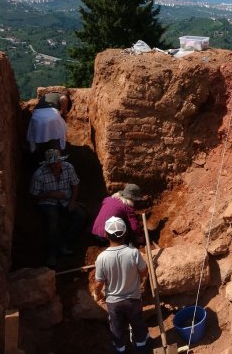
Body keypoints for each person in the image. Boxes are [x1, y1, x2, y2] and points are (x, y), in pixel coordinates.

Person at [93, 216, 149, 354]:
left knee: (116, 328)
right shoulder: (133, 253)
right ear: (125, 233)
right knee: (137, 323)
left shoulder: (102, 258)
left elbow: (99, 282)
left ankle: (120, 349)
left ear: (106, 235)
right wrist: (140, 279)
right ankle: (141, 347)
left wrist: (97, 294)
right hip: (133, 299)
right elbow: (144, 271)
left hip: (114, 303)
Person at [30, 148, 85, 267]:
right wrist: (50, 194)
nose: (56, 165)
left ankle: (64, 244)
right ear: (48, 164)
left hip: (66, 200)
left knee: (80, 216)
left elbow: (75, 184)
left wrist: (73, 201)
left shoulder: (68, 167)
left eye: (58, 162)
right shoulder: (39, 174)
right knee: (53, 223)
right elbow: (34, 196)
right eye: (53, 163)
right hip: (48, 202)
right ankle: (52, 254)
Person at [26, 92, 70, 162]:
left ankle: (39, 156)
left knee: (39, 138)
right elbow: (64, 99)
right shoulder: (62, 95)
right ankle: (58, 155)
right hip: (52, 116)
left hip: (36, 117)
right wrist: (63, 111)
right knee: (60, 131)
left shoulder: (46, 96)